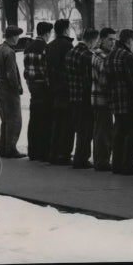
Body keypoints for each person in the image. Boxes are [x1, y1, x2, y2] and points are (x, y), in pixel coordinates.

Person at [107, 29, 133, 175]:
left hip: (115, 100)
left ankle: (117, 164)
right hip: (128, 101)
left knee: (119, 133)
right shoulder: (128, 56)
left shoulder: (111, 55)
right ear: (129, 40)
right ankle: (129, 164)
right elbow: (132, 81)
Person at [65, 27, 99, 169]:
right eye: (96, 41)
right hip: (84, 97)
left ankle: (79, 156)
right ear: (91, 40)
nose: (96, 44)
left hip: (73, 94)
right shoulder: (87, 56)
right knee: (86, 130)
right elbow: (88, 78)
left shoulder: (70, 52)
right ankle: (82, 158)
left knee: (79, 128)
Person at [45, 19, 75, 165]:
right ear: (65, 30)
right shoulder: (68, 46)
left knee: (56, 122)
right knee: (67, 124)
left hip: (54, 88)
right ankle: (64, 154)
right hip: (65, 89)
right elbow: (69, 68)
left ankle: (54, 152)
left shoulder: (50, 46)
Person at [23, 22, 53, 162]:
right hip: (43, 87)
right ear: (47, 33)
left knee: (34, 119)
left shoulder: (28, 47)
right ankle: (43, 152)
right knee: (45, 120)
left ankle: (32, 151)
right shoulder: (45, 48)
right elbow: (46, 70)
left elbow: (26, 70)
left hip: (33, 86)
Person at [0, 25, 26, 158]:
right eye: (17, 35)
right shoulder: (10, 52)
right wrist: (17, 87)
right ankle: (11, 148)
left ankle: (3, 147)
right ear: (13, 36)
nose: (18, 38)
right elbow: (11, 74)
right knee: (14, 119)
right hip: (8, 89)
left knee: (5, 119)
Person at [91, 28, 116, 171]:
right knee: (103, 131)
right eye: (110, 39)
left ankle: (100, 159)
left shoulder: (98, 55)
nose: (113, 42)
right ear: (102, 40)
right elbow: (104, 81)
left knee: (101, 130)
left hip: (98, 98)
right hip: (102, 99)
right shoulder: (102, 57)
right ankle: (102, 161)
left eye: (114, 39)